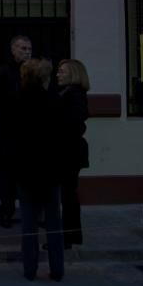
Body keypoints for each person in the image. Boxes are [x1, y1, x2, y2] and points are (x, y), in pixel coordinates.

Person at [14, 58, 66, 281]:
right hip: (50, 169)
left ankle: (29, 270)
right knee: (54, 222)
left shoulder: (18, 100)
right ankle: (57, 269)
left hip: (26, 169)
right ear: (43, 77)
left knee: (28, 223)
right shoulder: (54, 101)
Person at [0, 35, 33, 227]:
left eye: (28, 48)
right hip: (8, 135)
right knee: (8, 176)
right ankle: (6, 211)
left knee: (28, 175)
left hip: (29, 135)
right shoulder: (4, 73)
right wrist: (1, 118)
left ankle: (30, 212)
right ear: (12, 50)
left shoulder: (34, 72)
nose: (26, 52)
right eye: (22, 48)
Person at [57, 58, 90, 249]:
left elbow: (75, 124)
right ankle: (72, 235)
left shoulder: (74, 94)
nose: (58, 74)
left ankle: (68, 237)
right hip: (70, 151)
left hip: (69, 152)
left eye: (62, 71)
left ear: (74, 74)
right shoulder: (69, 93)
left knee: (67, 195)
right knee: (69, 194)